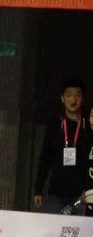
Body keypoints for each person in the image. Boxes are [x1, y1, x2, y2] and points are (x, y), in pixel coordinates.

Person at [33, 79, 91, 214]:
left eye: (77, 95)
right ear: (62, 98)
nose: (73, 99)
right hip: (56, 192)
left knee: (80, 227)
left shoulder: (89, 125)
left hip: (82, 194)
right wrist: (38, 189)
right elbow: (45, 158)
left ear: (83, 98)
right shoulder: (54, 124)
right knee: (53, 226)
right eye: (69, 95)